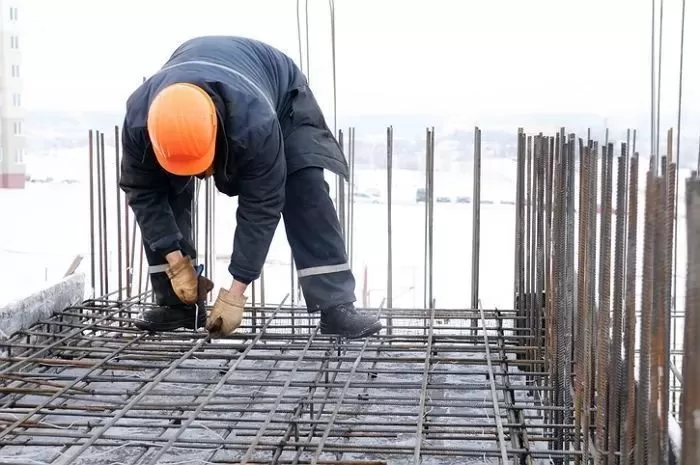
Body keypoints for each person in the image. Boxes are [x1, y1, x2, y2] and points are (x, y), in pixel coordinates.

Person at [119, 36, 382, 340]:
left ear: (217, 132)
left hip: (280, 99)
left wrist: (236, 293)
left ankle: (336, 307)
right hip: (210, 85)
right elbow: (143, 192)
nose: (201, 176)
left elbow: (262, 205)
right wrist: (176, 263)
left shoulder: (256, 124)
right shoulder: (140, 122)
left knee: (303, 184)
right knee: (160, 189)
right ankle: (179, 306)